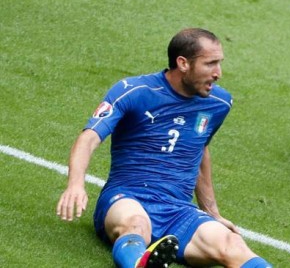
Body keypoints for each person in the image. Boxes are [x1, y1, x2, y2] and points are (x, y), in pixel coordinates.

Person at [56, 28, 274, 268]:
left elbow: (199, 150)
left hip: (178, 210)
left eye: (219, 63)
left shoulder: (218, 103)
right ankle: (141, 263)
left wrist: (211, 211)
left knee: (232, 244)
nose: (218, 73)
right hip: (127, 197)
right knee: (137, 224)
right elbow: (89, 138)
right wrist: (75, 184)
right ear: (183, 63)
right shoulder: (134, 91)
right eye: (210, 64)